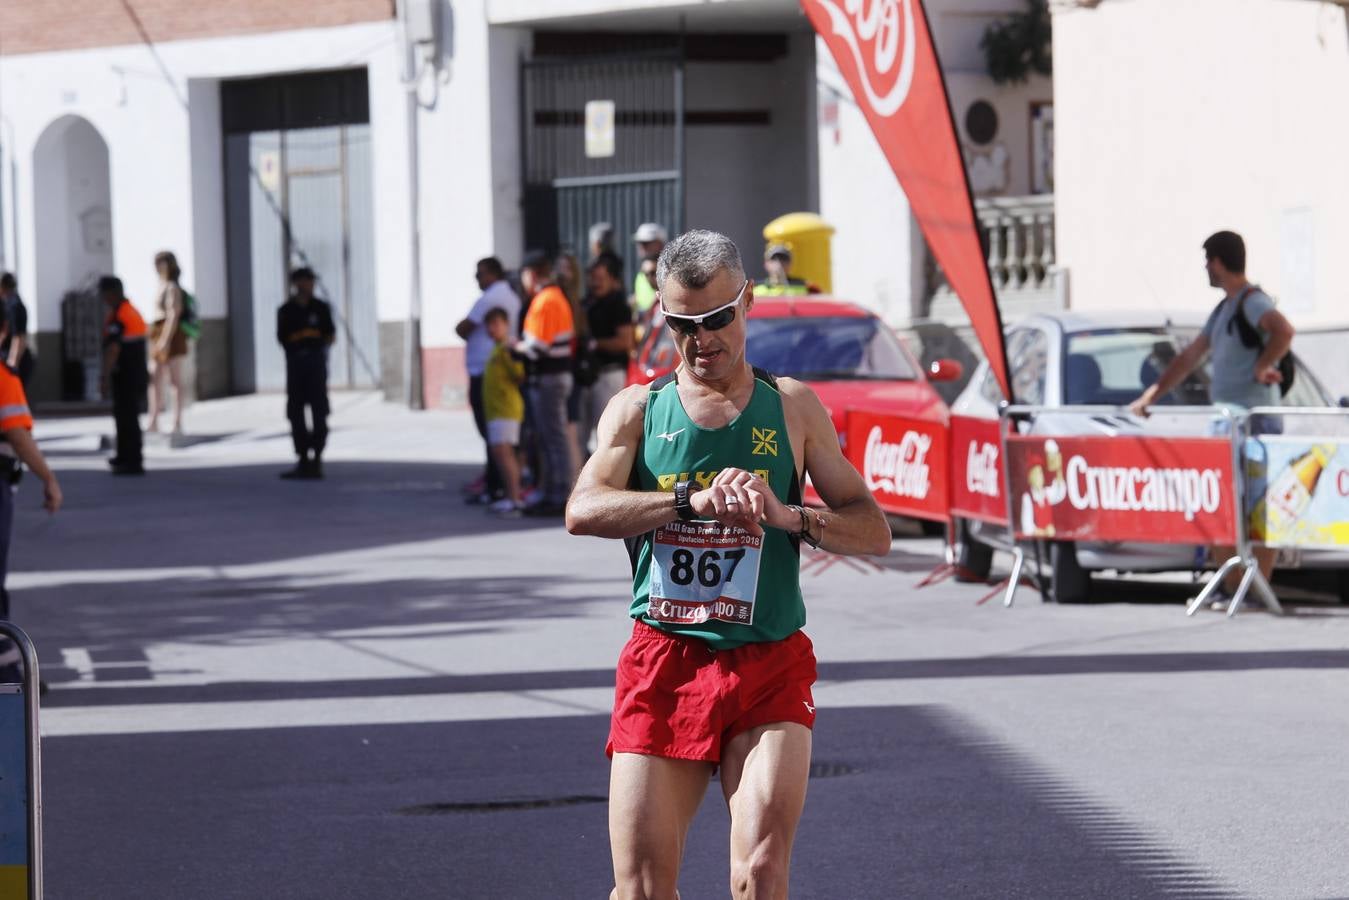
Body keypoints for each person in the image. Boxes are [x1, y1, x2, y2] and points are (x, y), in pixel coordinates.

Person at [565, 229, 891, 898]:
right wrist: (689, 501)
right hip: (665, 660)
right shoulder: (637, 410)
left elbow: (872, 530)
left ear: (746, 303)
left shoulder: (792, 407)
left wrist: (787, 516)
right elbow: (582, 509)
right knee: (641, 889)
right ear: (662, 315)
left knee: (759, 875)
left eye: (716, 318)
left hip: (767, 660)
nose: (702, 339)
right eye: (683, 324)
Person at [1130, 229, 1295, 604]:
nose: (1205, 267)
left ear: (1218, 262)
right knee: (1220, 505)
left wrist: (1264, 364)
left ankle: (1255, 591)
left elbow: (1283, 330)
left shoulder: (1251, 302)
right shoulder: (1225, 309)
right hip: (1228, 421)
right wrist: (1152, 394)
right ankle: (1234, 587)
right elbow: (1190, 357)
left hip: (1251, 421)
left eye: (1207, 260)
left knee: (1255, 510)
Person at [0, 304, 62, 683]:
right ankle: (7, 673)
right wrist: (49, 479)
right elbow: (19, 436)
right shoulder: (4, 377)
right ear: (4, 330)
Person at [456, 257, 521, 503]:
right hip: (492, 381)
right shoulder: (510, 297)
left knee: (499, 444)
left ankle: (502, 489)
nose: (477, 279)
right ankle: (498, 486)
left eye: (480, 273)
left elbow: (463, 328)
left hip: (494, 387)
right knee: (498, 444)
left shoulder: (490, 298)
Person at [515, 252, 576, 517]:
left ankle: (558, 493)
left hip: (549, 379)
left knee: (552, 439)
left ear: (532, 273)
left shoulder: (545, 300)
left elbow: (538, 347)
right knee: (551, 437)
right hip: (553, 377)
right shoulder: (552, 297)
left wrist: (513, 347)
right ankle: (554, 490)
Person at [276, 267, 336, 480]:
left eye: (310, 282)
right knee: (296, 411)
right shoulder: (286, 310)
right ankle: (302, 457)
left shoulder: (321, 308)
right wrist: (303, 341)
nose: (307, 286)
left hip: (316, 365)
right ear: (296, 284)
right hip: (296, 366)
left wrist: (314, 345)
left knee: (320, 410)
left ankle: (317, 457)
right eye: (303, 282)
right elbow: (283, 338)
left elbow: (329, 334)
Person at [580, 252, 636, 453]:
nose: (595, 283)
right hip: (588, 377)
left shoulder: (618, 305)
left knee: (606, 434)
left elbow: (625, 342)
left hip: (609, 375)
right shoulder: (587, 302)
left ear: (612, 279)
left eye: (600, 278)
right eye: (592, 277)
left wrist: (596, 344)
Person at [100, 276, 148, 476]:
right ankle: (124, 456)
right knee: (125, 416)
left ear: (111, 293)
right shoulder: (128, 310)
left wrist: (104, 377)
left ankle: (132, 460)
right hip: (133, 373)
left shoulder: (121, 315)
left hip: (127, 374)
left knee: (127, 417)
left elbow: (113, 349)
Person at [482, 307, 526, 517]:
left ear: (506, 325)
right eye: (489, 324)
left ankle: (515, 499)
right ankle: (511, 497)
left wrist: (511, 354)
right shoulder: (497, 348)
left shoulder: (508, 348)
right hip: (496, 411)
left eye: (496, 323)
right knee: (501, 454)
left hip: (506, 410)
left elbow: (519, 374)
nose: (492, 328)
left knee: (505, 454)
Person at [147, 251, 189, 436]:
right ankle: (154, 419)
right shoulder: (160, 285)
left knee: (174, 379)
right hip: (157, 331)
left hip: (170, 334)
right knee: (155, 377)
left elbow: (173, 314)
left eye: (161, 264)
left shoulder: (172, 287)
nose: (158, 268)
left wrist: (165, 340)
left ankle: (177, 421)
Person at [0, 274, 34, 389]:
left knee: (15, 398)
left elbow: (19, 338)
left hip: (19, 360)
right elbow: (5, 332)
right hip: (8, 358)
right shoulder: (6, 305)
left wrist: (12, 363)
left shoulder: (15, 306)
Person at [630, 222, 667, 316]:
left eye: (646, 243)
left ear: (660, 243)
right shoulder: (641, 272)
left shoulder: (669, 271)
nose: (642, 247)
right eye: (640, 243)